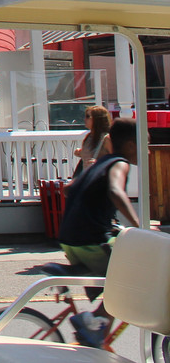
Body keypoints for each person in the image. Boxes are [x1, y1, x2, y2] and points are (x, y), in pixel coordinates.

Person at [57, 117, 139, 347]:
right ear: (132, 145)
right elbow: (115, 191)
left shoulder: (100, 162)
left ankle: (96, 336)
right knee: (132, 275)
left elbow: (68, 188)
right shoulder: (119, 163)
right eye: (146, 143)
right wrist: (138, 224)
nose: (148, 150)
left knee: (117, 274)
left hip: (69, 240)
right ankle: (94, 323)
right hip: (90, 240)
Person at [73, 104, 112, 177]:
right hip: (87, 179)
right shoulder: (88, 137)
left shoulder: (106, 139)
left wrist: (99, 164)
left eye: (88, 116)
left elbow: (116, 160)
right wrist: (81, 152)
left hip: (100, 180)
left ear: (97, 119)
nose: (85, 119)